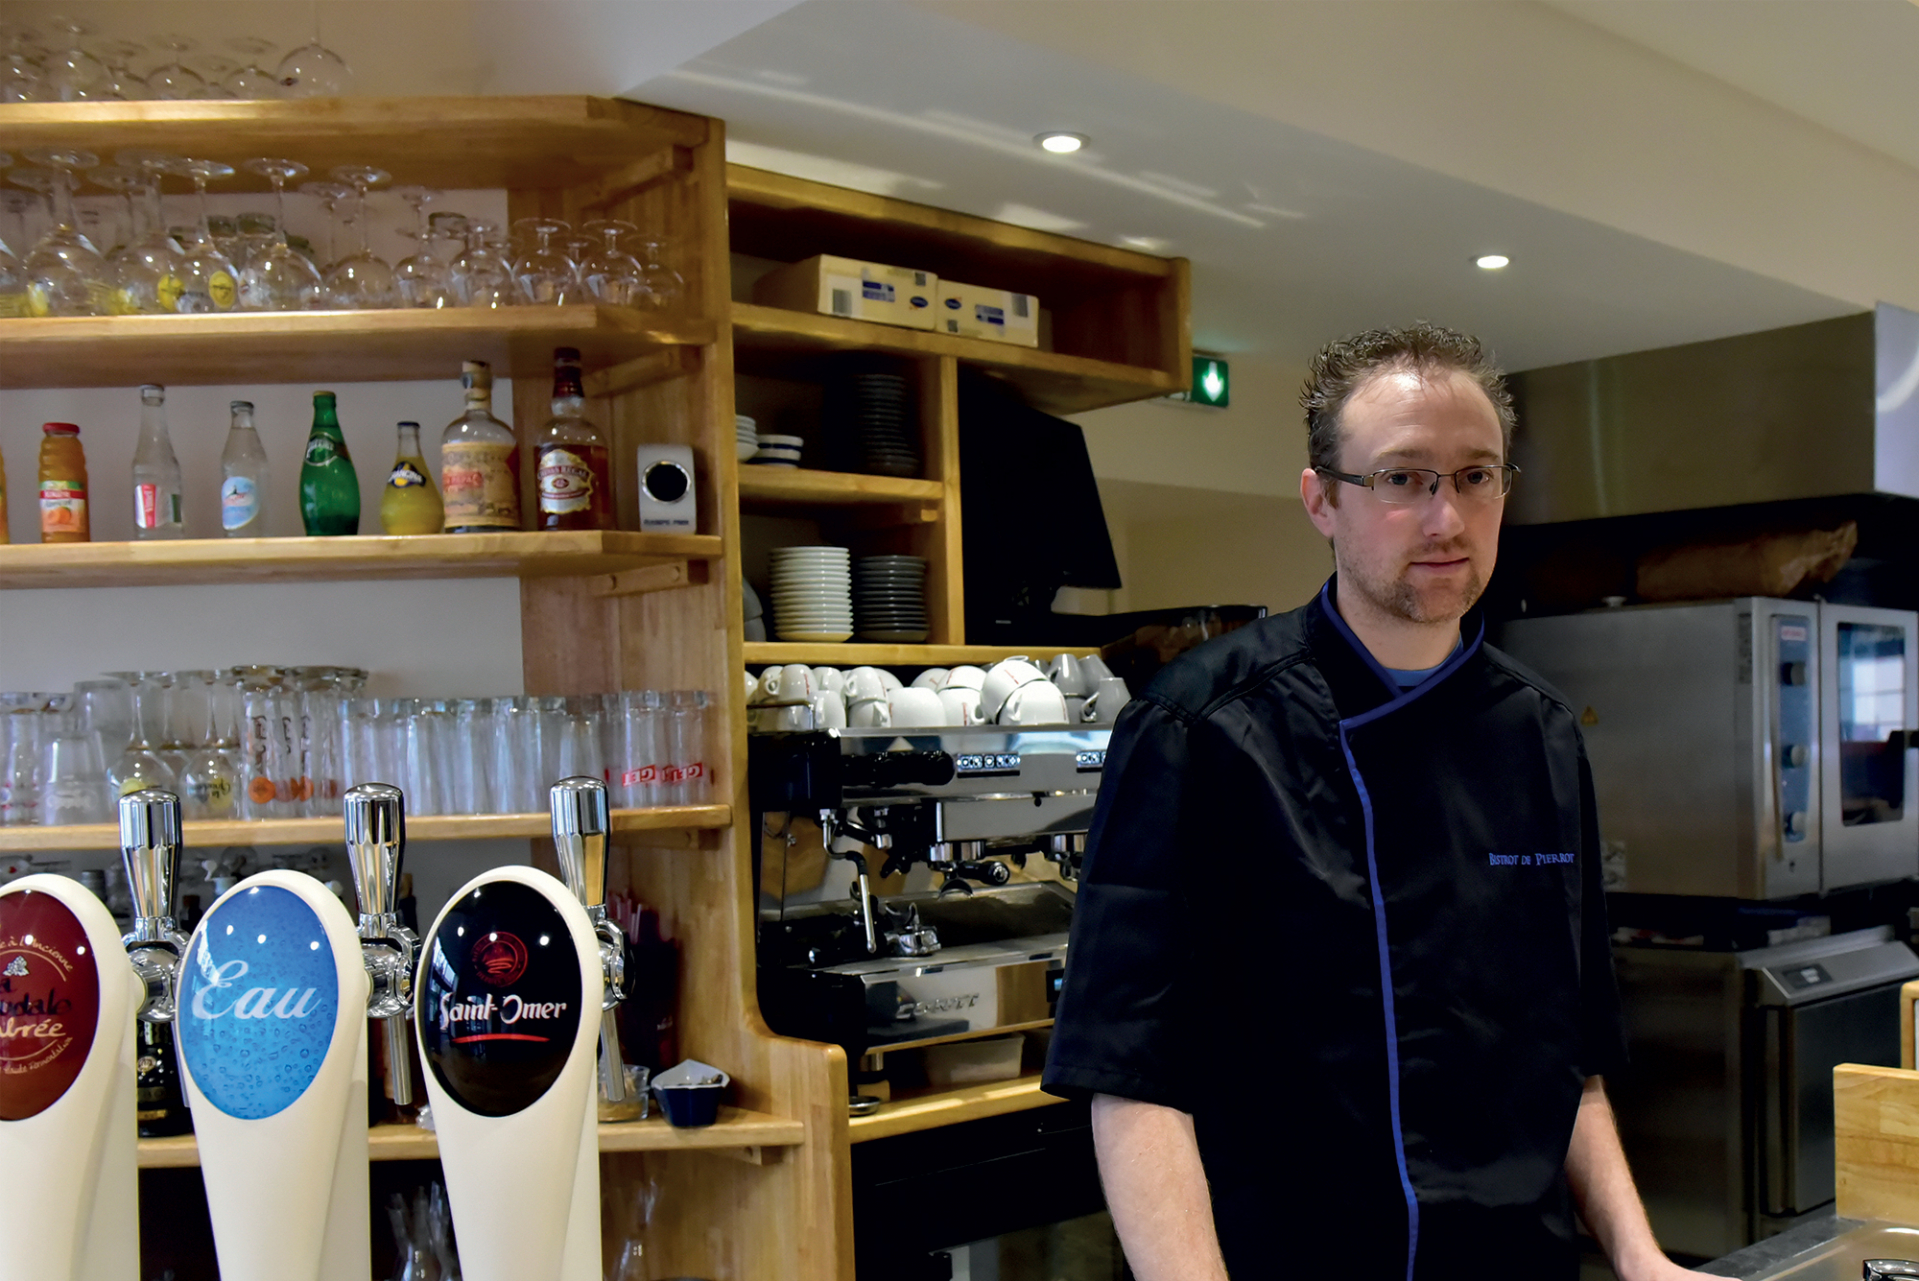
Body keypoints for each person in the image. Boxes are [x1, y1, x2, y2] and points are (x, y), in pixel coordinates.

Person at [1041, 323, 1704, 1280]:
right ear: (1321, 500)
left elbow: (1567, 1055)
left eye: (1475, 477)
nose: (1445, 518)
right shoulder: (1199, 729)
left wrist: (1643, 1258)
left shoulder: (1542, 733)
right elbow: (1131, 1075)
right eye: (1401, 478)